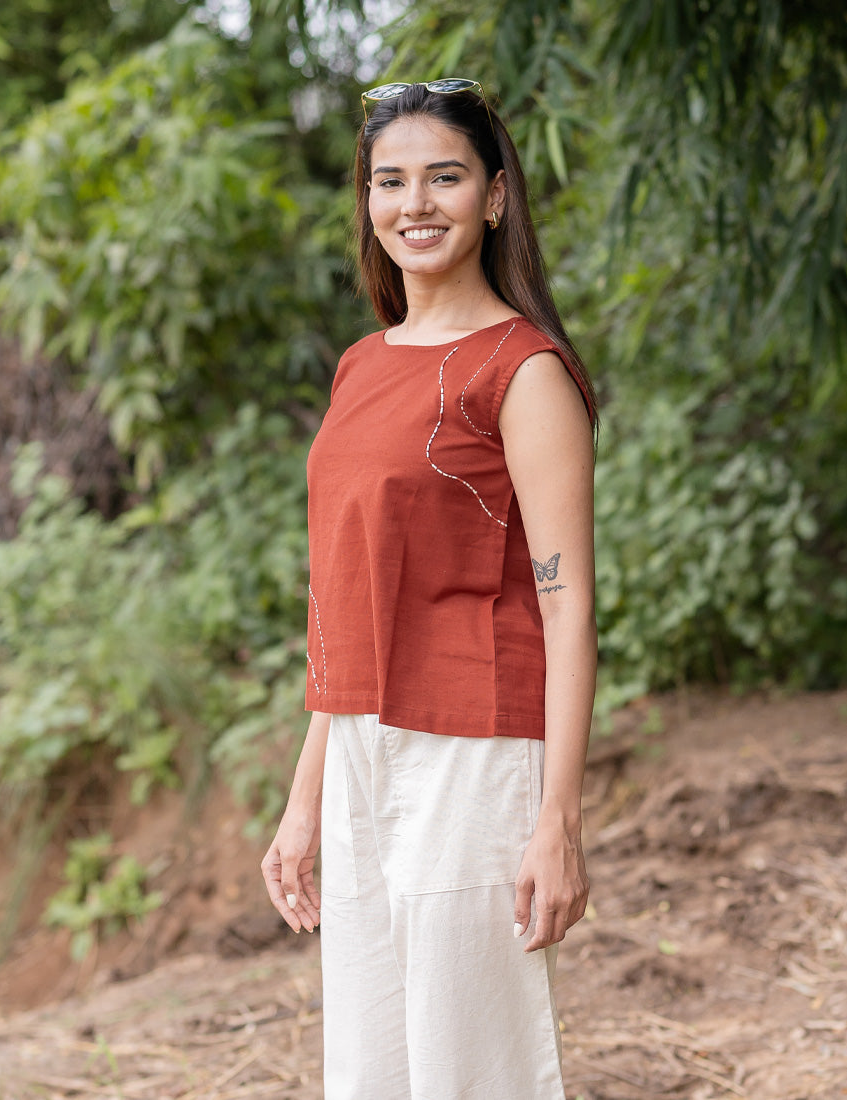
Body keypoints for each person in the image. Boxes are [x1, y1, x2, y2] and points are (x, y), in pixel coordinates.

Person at [262, 77, 598, 1100]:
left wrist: (559, 818)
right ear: (366, 199)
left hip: (475, 747)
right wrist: (306, 791)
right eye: (389, 179)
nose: (415, 203)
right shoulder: (361, 364)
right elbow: (349, 602)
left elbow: (568, 601)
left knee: (470, 1062)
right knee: (369, 1062)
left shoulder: (522, 369)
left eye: (444, 176)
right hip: (361, 740)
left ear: (495, 195)